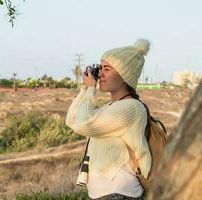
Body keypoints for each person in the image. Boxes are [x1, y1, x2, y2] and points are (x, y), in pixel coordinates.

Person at [65, 39, 152, 200]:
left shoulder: (131, 108)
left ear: (124, 75)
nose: (100, 74)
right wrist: (85, 88)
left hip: (120, 192)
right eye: (100, 68)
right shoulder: (110, 108)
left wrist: (91, 88)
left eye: (107, 69)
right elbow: (72, 121)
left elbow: (82, 125)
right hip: (106, 194)